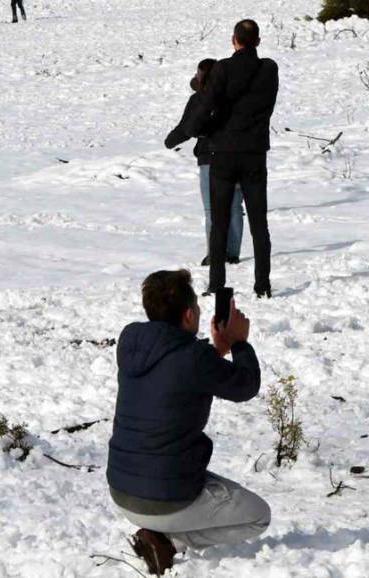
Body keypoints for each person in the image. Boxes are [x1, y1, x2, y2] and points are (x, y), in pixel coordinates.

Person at [107, 270, 269, 575]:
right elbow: (245, 386)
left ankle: (159, 534)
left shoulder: (130, 341)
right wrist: (238, 344)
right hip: (165, 499)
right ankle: (170, 542)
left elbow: (176, 370)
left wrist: (215, 351)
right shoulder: (194, 359)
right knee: (259, 516)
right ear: (189, 313)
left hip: (121, 490)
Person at [184, 19, 279, 298]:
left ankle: (216, 285)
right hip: (254, 154)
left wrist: (197, 130)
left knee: (220, 222)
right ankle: (262, 285)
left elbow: (207, 105)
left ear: (233, 40)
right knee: (259, 224)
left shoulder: (223, 68)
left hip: (223, 154)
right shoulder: (269, 69)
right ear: (258, 41)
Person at [165, 58, 245, 267]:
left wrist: (170, 141)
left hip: (209, 158)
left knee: (213, 209)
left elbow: (186, 127)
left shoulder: (199, 99)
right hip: (236, 155)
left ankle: (215, 254)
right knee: (234, 207)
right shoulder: (235, 96)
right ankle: (233, 253)